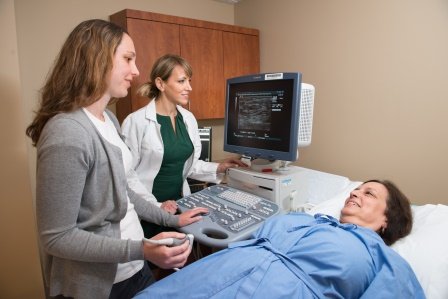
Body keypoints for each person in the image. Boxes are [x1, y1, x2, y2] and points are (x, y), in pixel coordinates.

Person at [25, 19, 208, 299]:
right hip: (99, 283)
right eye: (128, 59)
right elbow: (57, 237)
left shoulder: (108, 120)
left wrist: (173, 221)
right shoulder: (67, 132)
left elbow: (124, 190)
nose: (136, 71)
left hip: (133, 268)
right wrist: (141, 248)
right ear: (96, 59)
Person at [134, 180, 426, 298]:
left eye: (369, 194)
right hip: (219, 272)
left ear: (387, 219)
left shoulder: (380, 256)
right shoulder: (306, 220)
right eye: (357, 189)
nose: (355, 193)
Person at [121, 54, 247, 238]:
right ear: (160, 84)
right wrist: (156, 206)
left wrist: (219, 167)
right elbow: (127, 176)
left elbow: (189, 165)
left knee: (179, 259)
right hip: (147, 210)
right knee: (150, 259)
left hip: (181, 206)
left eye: (189, 81)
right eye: (181, 81)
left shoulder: (188, 119)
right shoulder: (136, 122)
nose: (189, 87)